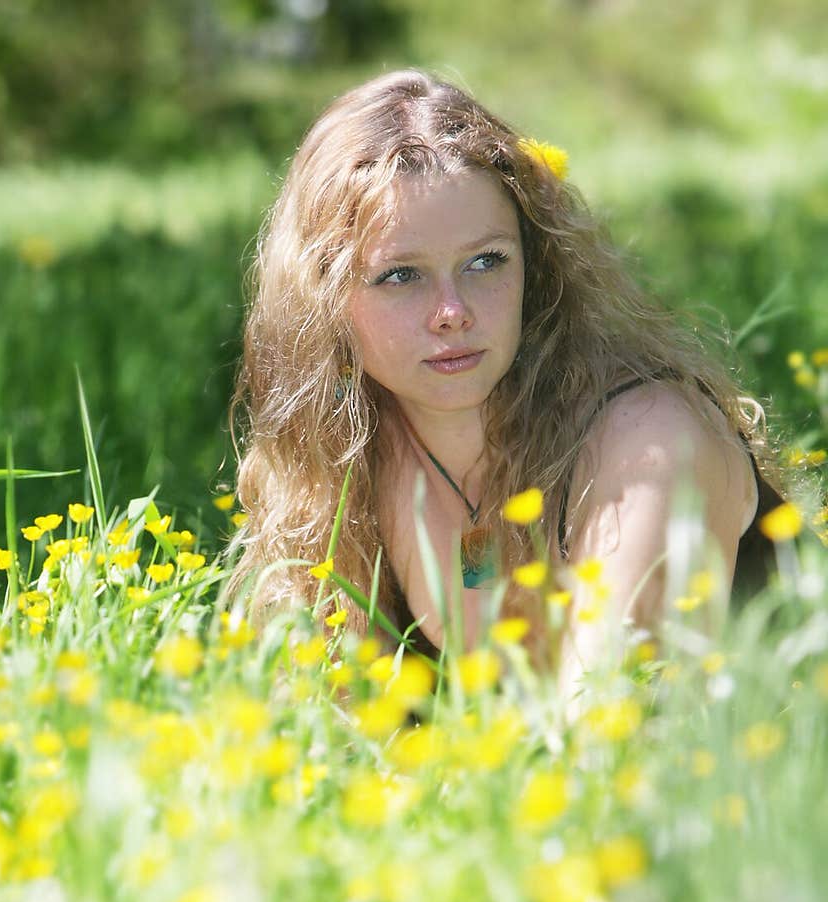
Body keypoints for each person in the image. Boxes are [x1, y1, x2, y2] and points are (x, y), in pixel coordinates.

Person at [222, 67, 788, 704]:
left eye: (485, 262)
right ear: (323, 299)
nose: (452, 311)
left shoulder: (647, 441)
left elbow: (608, 741)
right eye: (401, 276)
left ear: (534, 265)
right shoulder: (342, 461)